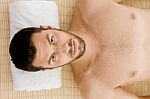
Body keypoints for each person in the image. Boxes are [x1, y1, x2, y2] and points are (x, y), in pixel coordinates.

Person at [9, 0, 150, 99]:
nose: (64, 48)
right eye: (53, 57)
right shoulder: (93, 88)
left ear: (47, 27)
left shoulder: (90, 4)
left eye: (52, 40)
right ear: (51, 68)